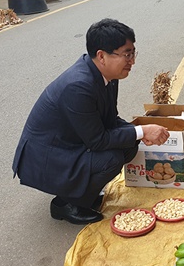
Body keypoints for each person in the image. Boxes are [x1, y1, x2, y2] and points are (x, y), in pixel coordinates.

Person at [12, 19, 170, 225]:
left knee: (129, 143)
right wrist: (141, 131)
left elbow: (110, 119)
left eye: (133, 54)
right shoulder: (78, 86)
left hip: (73, 142)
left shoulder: (108, 76)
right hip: (48, 157)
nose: (132, 61)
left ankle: (83, 193)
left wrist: (137, 132)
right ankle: (65, 204)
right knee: (111, 158)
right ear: (102, 56)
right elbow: (97, 140)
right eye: (127, 55)